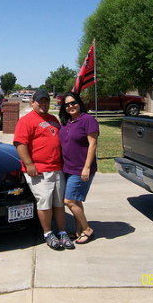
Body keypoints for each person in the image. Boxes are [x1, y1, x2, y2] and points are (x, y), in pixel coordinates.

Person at [14, 90, 74, 250]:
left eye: (46, 101)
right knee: (45, 203)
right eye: (40, 101)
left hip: (57, 168)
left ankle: (62, 232)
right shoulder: (26, 121)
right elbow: (20, 144)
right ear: (32, 102)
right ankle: (48, 233)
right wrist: (29, 164)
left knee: (59, 203)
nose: (44, 104)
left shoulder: (53, 119)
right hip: (39, 171)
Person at [58, 92, 99, 244]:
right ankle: (79, 230)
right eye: (67, 104)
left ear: (79, 103)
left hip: (80, 168)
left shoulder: (88, 120)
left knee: (69, 201)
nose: (71, 106)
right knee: (76, 201)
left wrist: (87, 167)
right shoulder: (67, 122)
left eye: (73, 103)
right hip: (67, 168)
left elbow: (93, 144)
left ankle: (87, 229)